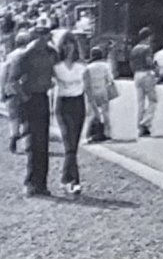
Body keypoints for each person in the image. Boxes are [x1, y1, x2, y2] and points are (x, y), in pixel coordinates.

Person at [11, 24, 57, 197]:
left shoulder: (51, 53)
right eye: (43, 37)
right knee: (32, 141)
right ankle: (30, 182)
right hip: (30, 98)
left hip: (43, 97)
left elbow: (57, 70)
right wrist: (24, 97)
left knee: (43, 142)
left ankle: (41, 183)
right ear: (36, 37)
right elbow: (13, 82)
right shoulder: (24, 56)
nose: (46, 40)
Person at [53, 31, 87, 195]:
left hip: (78, 104)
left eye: (71, 43)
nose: (68, 47)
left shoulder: (81, 66)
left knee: (74, 145)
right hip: (63, 104)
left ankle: (66, 179)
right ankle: (73, 181)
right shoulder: (56, 66)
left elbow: (87, 88)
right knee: (69, 143)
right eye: (65, 44)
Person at [1, 31, 31, 153]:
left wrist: (2, 90)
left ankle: (14, 136)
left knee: (14, 116)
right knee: (26, 117)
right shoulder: (29, 55)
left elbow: (4, 74)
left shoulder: (10, 56)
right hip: (26, 88)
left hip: (11, 89)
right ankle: (26, 144)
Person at [83, 46, 118, 142]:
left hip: (92, 91)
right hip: (103, 91)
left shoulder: (88, 67)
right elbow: (110, 79)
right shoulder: (105, 66)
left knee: (92, 113)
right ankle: (107, 133)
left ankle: (89, 134)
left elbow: (85, 82)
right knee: (105, 112)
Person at [130, 27, 158, 137]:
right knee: (153, 100)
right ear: (148, 37)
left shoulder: (134, 49)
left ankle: (139, 124)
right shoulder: (147, 48)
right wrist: (155, 68)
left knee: (140, 102)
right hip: (147, 73)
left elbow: (131, 64)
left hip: (137, 74)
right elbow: (148, 61)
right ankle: (145, 122)